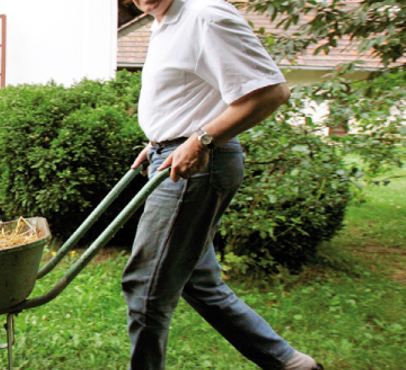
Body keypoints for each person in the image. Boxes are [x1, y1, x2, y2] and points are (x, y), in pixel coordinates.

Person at [121, 0, 324, 369]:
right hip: (171, 156)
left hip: (197, 165)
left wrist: (198, 140)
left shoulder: (205, 15)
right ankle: (291, 363)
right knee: (198, 281)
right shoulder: (163, 23)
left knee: (146, 289)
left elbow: (272, 92)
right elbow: (191, 96)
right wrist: (157, 142)